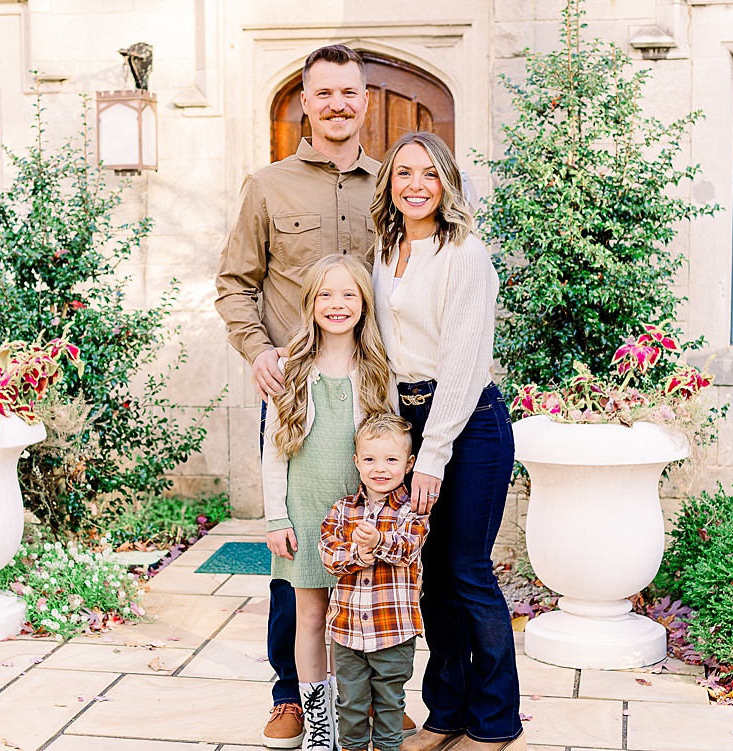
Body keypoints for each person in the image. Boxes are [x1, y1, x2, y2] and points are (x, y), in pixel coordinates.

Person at [215, 44, 387, 747]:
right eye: (325, 94)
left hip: (374, 395)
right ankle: (292, 698)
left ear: (364, 102)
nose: (338, 104)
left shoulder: (393, 185)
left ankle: (365, 697)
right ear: (305, 103)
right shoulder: (268, 185)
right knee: (295, 554)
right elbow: (234, 283)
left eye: (349, 93)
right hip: (295, 397)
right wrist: (257, 350)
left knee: (374, 547)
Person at [370, 131, 527, 751]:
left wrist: (431, 456)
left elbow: (463, 363)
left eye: (429, 174)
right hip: (408, 420)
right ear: (389, 184)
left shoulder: (466, 253)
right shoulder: (385, 250)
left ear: (446, 185)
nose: (415, 185)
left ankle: (495, 722)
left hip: (469, 422)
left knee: (466, 570)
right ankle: (446, 714)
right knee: (430, 576)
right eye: (403, 173)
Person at [263, 254, 395, 751]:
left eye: (349, 295)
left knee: (356, 621)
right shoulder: (290, 369)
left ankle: (356, 717)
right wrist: (276, 517)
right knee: (310, 619)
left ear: (364, 304)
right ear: (309, 302)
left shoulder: (379, 370)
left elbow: (391, 447)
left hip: (360, 522)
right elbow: (274, 452)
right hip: (305, 515)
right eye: (326, 295)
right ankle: (318, 726)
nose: (337, 305)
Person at [319, 413, 429, 751]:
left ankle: (386, 747)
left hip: (394, 630)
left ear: (409, 464)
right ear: (356, 461)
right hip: (347, 631)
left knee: (389, 701)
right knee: (350, 703)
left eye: (391, 459)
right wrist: (358, 553)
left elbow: (408, 547)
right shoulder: (342, 510)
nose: (379, 468)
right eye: (370, 459)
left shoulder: (413, 510)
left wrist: (378, 541)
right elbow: (328, 552)